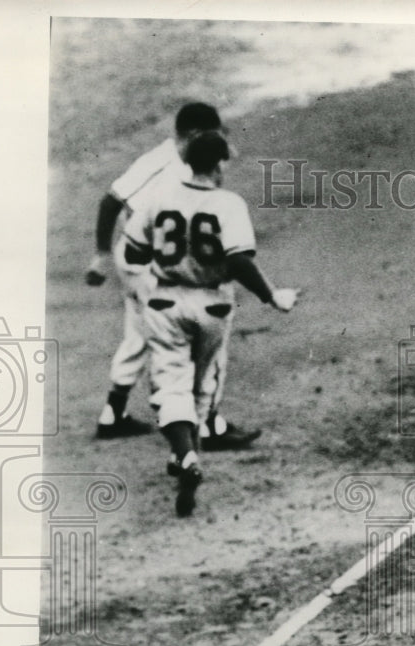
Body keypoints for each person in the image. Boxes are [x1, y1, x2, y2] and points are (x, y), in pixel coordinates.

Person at [123, 132, 300, 516]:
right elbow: (238, 261)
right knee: (203, 384)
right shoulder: (227, 203)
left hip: (165, 301)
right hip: (212, 306)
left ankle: (184, 455)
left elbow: (134, 250)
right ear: (219, 164)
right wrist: (273, 296)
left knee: (170, 385)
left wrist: (152, 273)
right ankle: (190, 455)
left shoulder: (159, 195)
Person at [86, 102, 259, 450]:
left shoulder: (185, 158)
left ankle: (113, 414)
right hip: (148, 265)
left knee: (139, 333)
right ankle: (208, 424)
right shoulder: (161, 163)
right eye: (213, 133)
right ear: (195, 134)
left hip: (145, 259)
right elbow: (111, 201)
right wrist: (101, 256)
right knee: (204, 330)